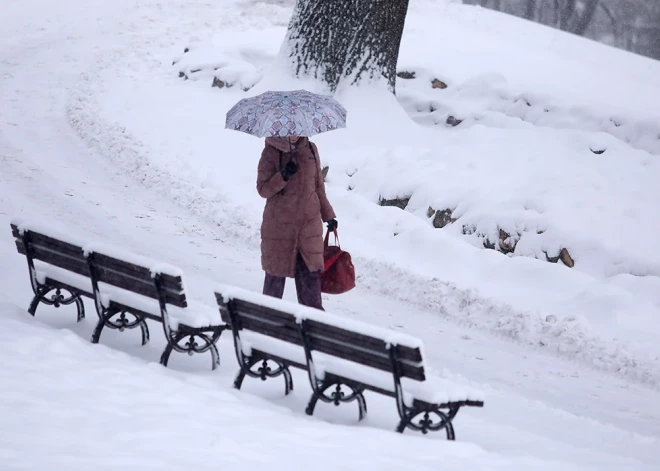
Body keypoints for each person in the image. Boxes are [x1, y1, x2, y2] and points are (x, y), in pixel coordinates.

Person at [257, 135, 337, 310]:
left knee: (310, 286)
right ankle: (265, 324)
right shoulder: (271, 151)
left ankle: (315, 331)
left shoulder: (310, 149)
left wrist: (328, 215)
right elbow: (263, 189)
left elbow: (318, 188)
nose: (294, 133)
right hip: (279, 229)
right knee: (274, 286)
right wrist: (283, 176)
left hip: (308, 228)